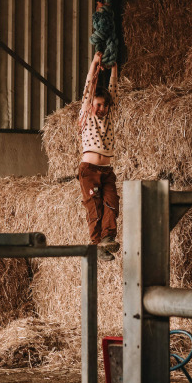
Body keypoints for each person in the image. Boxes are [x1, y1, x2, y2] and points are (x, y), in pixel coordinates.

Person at [77, 51, 120, 261]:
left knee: (112, 202)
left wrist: (113, 68)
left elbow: (113, 89)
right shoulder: (86, 115)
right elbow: (88, 88)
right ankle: (95, 244)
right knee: (94, 205)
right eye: (98, 105)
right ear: (91, 105)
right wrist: (94, 63)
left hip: (107, 170)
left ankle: (107, 238)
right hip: (90, 170)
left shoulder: (109, 116)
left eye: (105, 105)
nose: (102, 108)